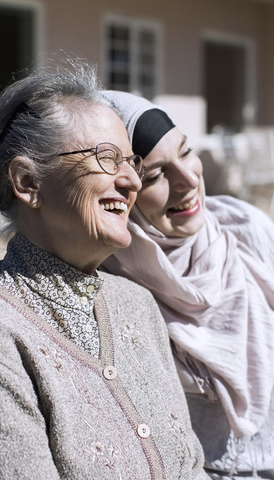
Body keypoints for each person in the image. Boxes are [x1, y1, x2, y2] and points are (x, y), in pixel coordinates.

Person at [0, 58, 208, 479]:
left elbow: (192, 467)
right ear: (28, 183)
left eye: (131, 163)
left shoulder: (136, 303)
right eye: (107, 158)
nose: (131, 182)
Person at [101, 90, 274, 480]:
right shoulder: (114, 288)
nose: (187, 179)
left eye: (186, 152)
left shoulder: (247, 228)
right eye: (156, 175)